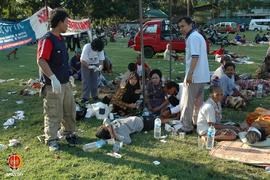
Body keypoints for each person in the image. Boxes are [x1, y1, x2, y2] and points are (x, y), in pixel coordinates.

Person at [37, 8, 77, 151]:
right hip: (52, 85)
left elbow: (63, 61)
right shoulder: (47, 39)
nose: (68, 25)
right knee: (54, 113)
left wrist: (69, 75)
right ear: (59, 22)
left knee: (69, 110)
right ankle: (51, 139)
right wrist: (52, 78)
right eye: (66, 22)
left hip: (65, 83)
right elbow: (41, 60)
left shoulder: (61, 38)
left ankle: (68, 133)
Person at [177, 17, 210, 133]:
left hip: (195, 76)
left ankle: (186, 127)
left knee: (187, 103)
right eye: (179, 27)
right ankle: (197, 123)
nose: (181, 29)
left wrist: (190, 74)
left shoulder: (193, 37)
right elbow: (194, 56)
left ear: (190, 25)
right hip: (202, 76)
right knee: (198, 104)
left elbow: (195, 57)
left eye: (183, 26)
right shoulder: (197, 36)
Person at [80, 38, 105, 103]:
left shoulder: (100, 49)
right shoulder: (87, 47)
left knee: (95, 81)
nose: (96, 51)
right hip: (85, 64)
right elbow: (82, 60)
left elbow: (101, 59)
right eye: (95, 49)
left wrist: (100, 66)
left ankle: (95, 96)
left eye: (98, 50)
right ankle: (85, 97)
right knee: (86, 81)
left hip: (96, 64)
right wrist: (89, 66)